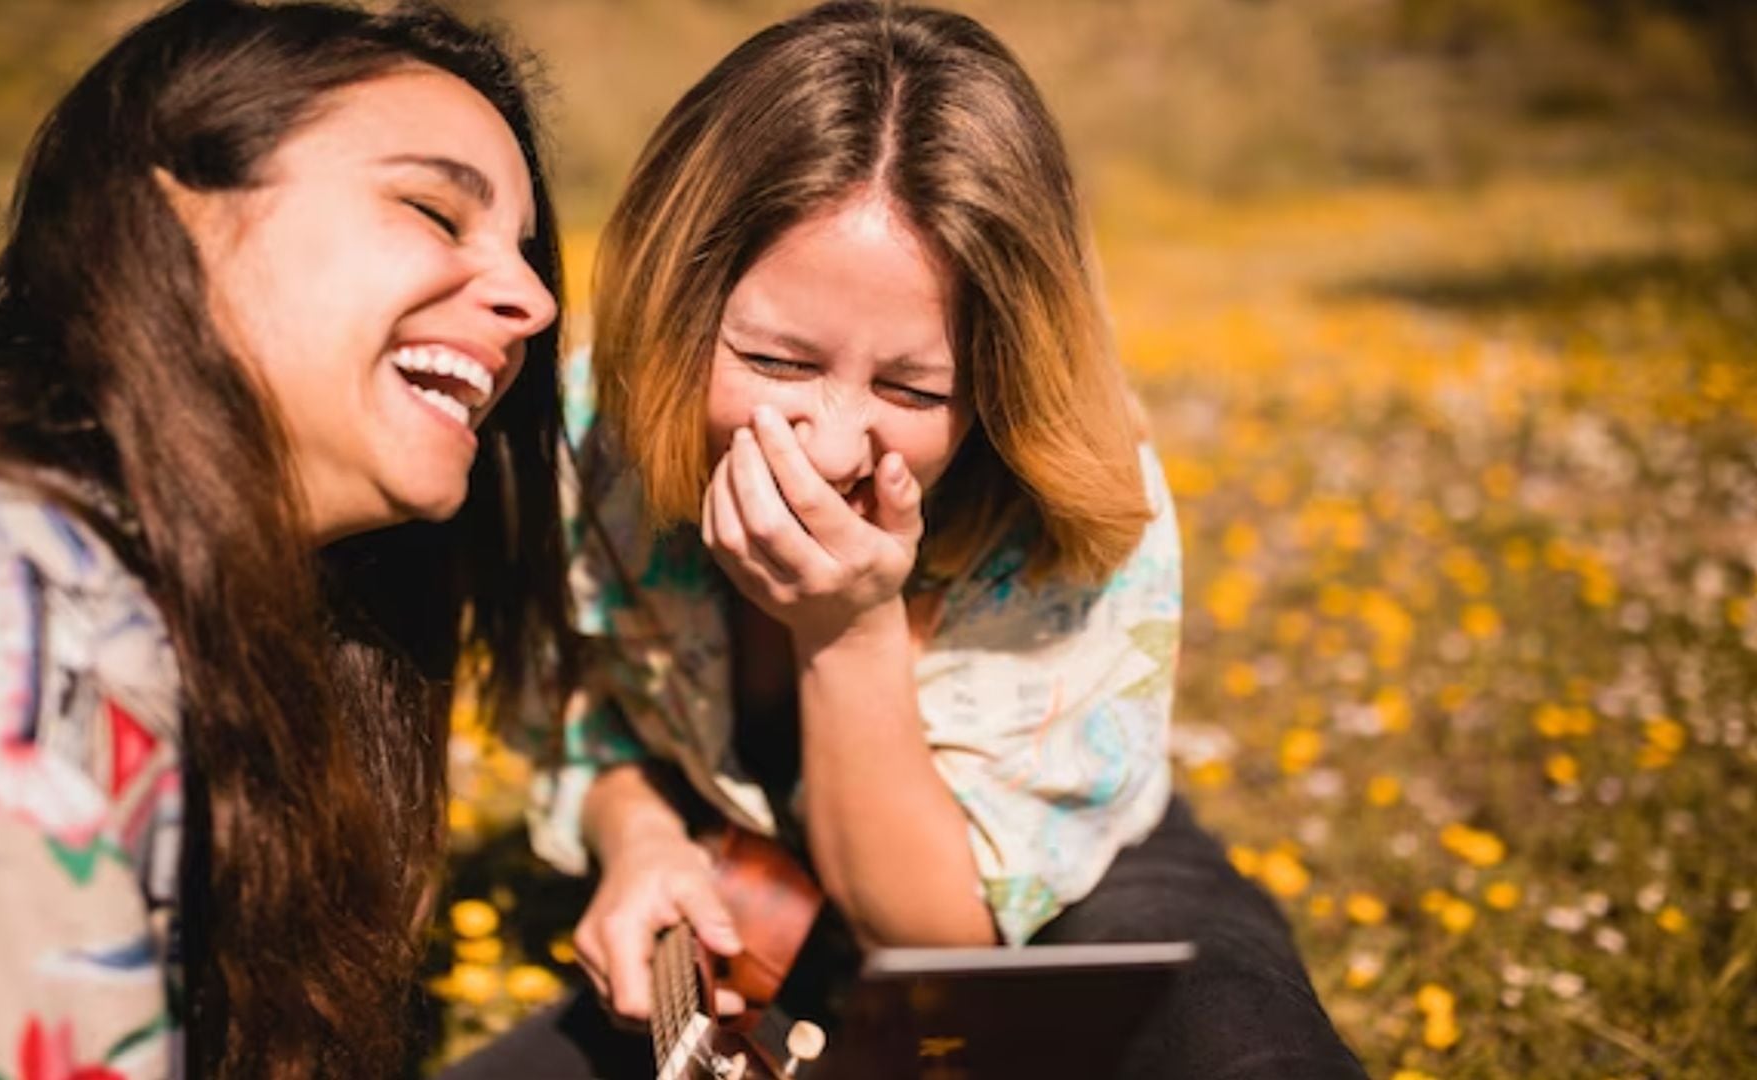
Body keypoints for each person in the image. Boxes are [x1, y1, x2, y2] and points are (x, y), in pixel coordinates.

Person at [455, 3, 1367, 1078]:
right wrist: (640, 837)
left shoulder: (1066, 497)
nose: (836, 442)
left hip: (1039, 894)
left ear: (992, 384)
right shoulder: (582, 442)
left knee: (1231, 1044)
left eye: (912, 386)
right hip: (741, 897)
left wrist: (847, 625)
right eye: (778, 362)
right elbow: (581, 719)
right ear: (677, 302)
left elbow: (942, 943)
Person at [0, 2, 572, 1076]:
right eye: (432, 210)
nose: (536, 300)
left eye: (522, 250)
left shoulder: (225, 632)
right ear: (175, 216)